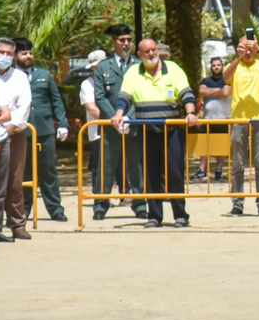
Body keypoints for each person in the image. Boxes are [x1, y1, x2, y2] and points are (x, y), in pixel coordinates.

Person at [110, 37, 198, 228]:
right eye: (147, 51)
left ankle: (180, 215)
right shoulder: (133, 72)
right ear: (139, 54)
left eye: (153, 50)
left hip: (172, 130)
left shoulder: (173, 69)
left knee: (175, 173)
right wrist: (118, 114)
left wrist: (190, 113)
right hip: (147, 130)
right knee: (151, 174)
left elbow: (187, 93)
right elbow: (124, 97)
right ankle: (154, 216)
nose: (151, 54)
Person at [92, 24, 144, 221]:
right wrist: (115, 117)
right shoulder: (103, 67)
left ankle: (140, 203)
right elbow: (100, 96)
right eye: (122, 40)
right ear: (114, 42)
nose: (126, 43)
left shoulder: (138, 65)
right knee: (106, 165)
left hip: (133, 122)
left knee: (135, 165)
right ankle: (100, 204)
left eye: (129, 40)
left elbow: (139, 93)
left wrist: (128, 117)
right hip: (111, 123)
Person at [15, 38, 68, 223]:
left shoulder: (44, 74)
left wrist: (62, 124)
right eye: (24, 53)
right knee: (25, 172)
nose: (28, 56)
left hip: (44, 130)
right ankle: (25, 209)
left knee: (48, 170)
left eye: (30, 52)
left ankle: (55, 209)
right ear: (16, 56)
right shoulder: (12, 76)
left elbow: (56, 101)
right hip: (22, 130)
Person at [224, 33, 259, 217]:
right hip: (238, 120)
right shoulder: (235, 65)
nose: (248, 51)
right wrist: (237, 58)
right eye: (244, 47)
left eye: (250, 46)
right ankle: (237, 204)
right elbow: (225, 77)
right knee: (238, 163)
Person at [0, 37, 32, 240]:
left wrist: (12, 127)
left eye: (9, 53)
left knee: (14, 180)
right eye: (1, 52)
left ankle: (16, 223)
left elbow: (24, 106)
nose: (5, 57)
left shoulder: (20, 77)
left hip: (15, 133)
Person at [79, 49, 106, 207]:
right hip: (98, 131)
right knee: (99, 167)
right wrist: (112, 120)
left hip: (118, 128)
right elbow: (91, 108)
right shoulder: (87, 84)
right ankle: (100, 199)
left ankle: (127, 194)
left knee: (122, 166)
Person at [197, 56, 230, 182]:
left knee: (221, 146)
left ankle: (219, 170)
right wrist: (219, 92)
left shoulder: (227, 79)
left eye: (218, 65)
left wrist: (210, 92)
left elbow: (226, 93)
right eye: (214, 65)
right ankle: (202, 170)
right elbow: (202, 91)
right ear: (211, 67)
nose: (216, 67)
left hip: (223, 118)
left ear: (222, 66)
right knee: (204, 145)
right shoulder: (205, 80)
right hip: (207, 119)